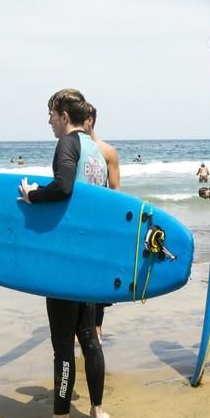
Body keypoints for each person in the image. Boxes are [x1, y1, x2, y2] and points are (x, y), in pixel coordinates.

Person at [18, 88, 109, 418]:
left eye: (51, 114)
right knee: (89, 337)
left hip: (66, 261)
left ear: (63, 115)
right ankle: (98, 412)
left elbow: (65, 186)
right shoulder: (96, 152)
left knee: (62, 345)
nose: (49, 121)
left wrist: (33, 195)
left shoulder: (68, 143)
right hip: (90, 260)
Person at [84, 102, 120, 342]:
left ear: (89, 120)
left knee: (98, 274)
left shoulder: (107, 151)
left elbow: (116, 190)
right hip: (79, 221)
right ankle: (83, 325)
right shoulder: (71, 149)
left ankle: (96, 327)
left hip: (100, 222)